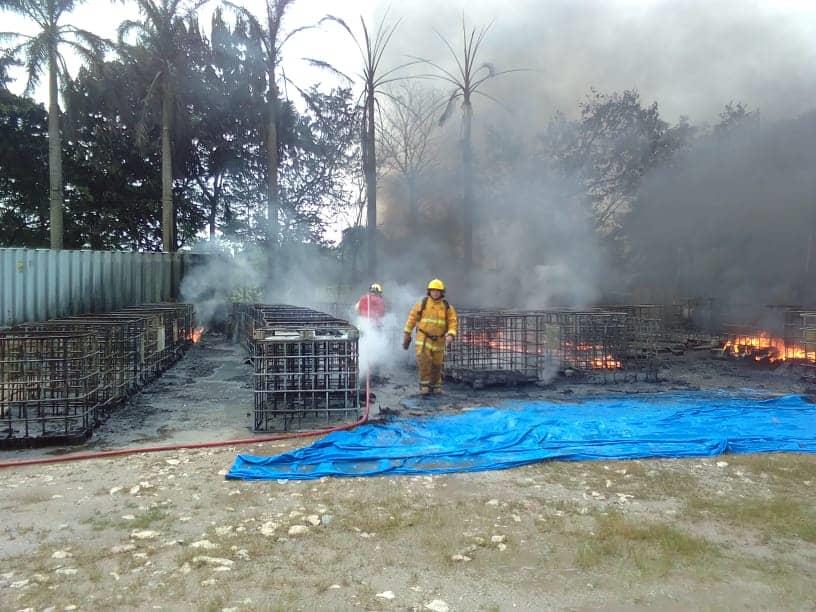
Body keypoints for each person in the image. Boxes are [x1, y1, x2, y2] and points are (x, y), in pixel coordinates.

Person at [402, 278, 458, 395]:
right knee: (424, 362)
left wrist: (451, 334)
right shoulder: (423, 304)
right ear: (429, 291)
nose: (435, 293)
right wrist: (407, 333)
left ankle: (436, 385)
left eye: (438, 291)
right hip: (424, 338)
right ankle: (424, 386)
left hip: (439, 340)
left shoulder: (447, 307)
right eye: (433, 290)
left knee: (437, 364)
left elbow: (453, 322)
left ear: (442, 292)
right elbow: (412, 318)